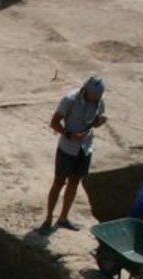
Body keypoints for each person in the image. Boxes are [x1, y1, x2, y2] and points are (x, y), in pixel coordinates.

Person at [40, 75, 108, 233]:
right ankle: (48, 219)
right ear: (86, 91)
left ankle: (63, 218)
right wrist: (70, 135)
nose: (96, 99)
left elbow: (94, 122)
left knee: (75, 182)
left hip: (85, 148)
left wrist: (99, 123)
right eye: (94, 96)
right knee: (58, 182)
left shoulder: (99, 101)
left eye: (98, 96)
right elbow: (54, 123)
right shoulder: (70, 100)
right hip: (67, 148)